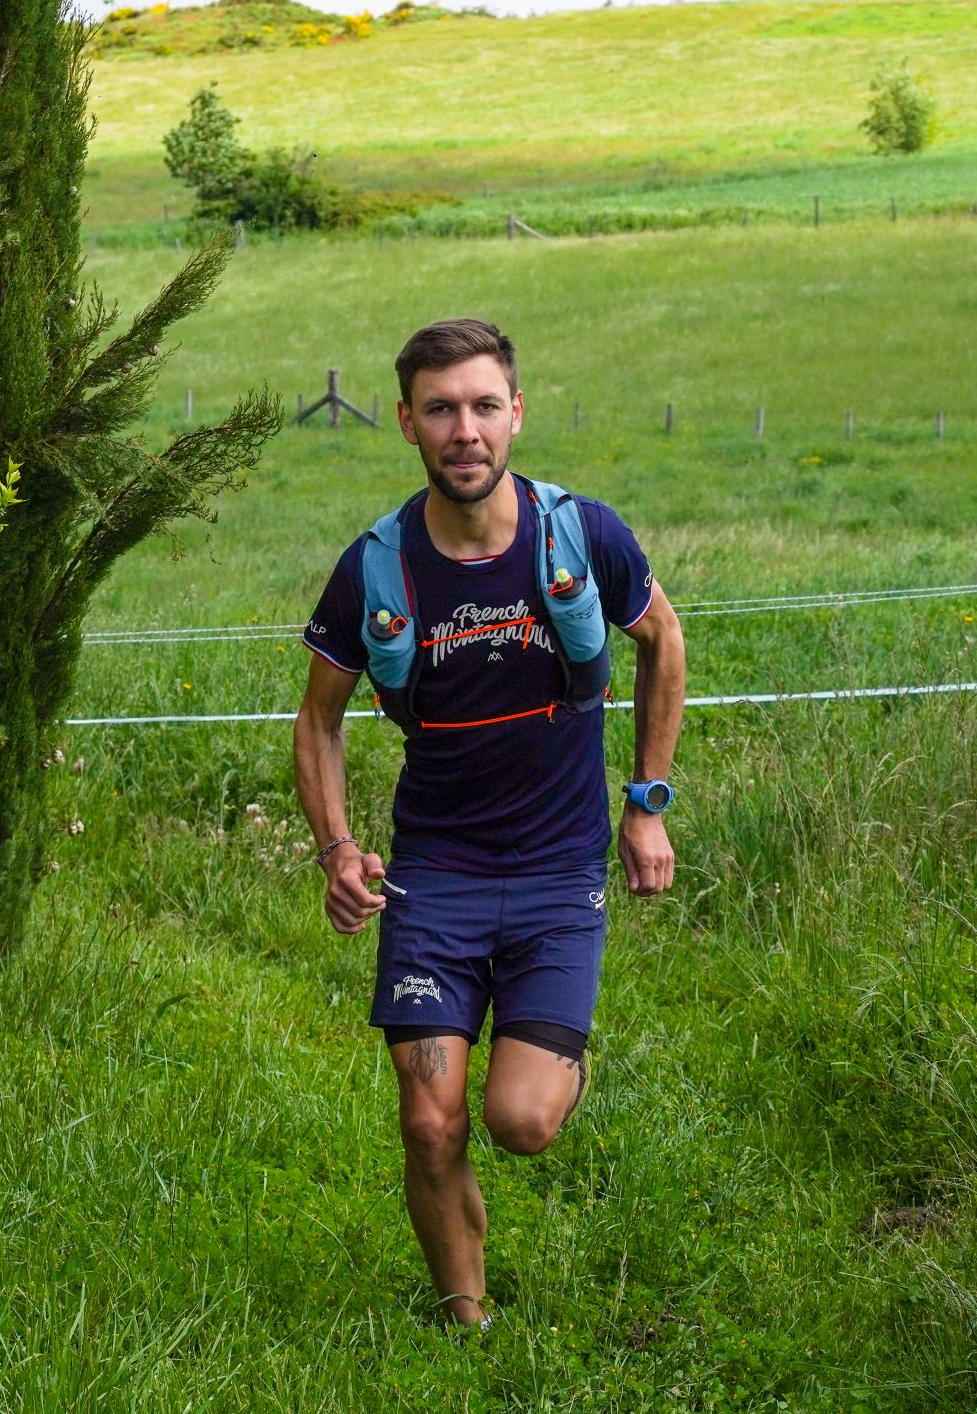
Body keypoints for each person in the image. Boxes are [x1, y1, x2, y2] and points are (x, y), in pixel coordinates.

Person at [292, 317, 685, 1333]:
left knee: (519, 1123)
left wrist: (645, 804)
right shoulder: (376, 570)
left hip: (558, 874)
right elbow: (318, 720)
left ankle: (541, 1048)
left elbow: (663, 638)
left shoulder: (582, 537)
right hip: (435, 875)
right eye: (439, 410)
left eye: (481, 406)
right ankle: (462, 1319)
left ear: (514, 414)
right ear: (407, 424)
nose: (462, 430)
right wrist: (337, 847)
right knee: (428, 1122)